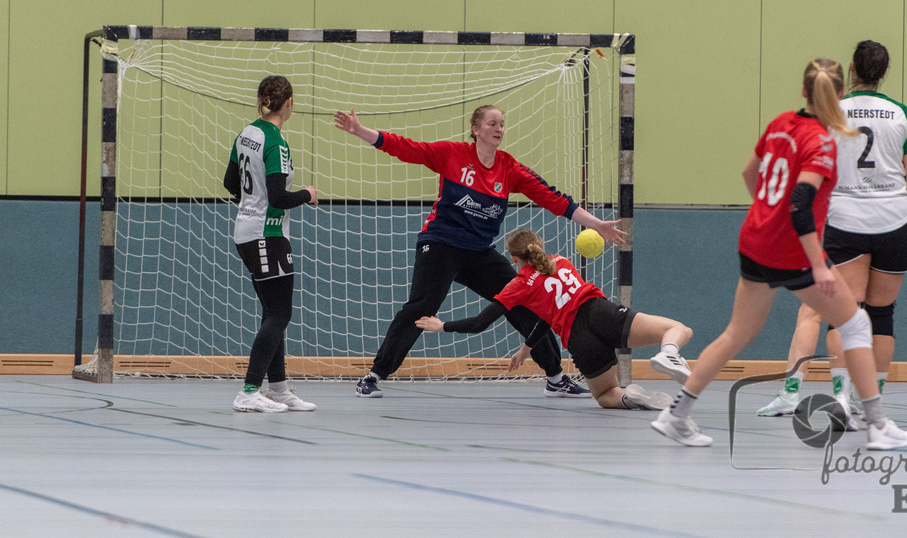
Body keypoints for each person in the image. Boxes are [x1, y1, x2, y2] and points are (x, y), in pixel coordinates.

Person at [650, 59, 907, 450]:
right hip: (792, 252)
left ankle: (675, 416)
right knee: (858, 325)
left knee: (736, 333)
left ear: (803, 90)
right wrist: (815, 262)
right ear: (841, 94)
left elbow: (749, 173)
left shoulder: (780, 123)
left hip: (755, 240)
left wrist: (765, 212)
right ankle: (877, 425)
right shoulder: (822, 143)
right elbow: (800, 201)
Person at [334, 104, 626, 398]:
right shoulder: (452, 154)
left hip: (479, 253)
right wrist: (360, 130)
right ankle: (374, 375)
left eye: (502, 124)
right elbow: (405, 148)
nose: (499, 129)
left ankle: (555, 377)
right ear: (475, 130)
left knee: (524, 301)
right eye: (492, 123)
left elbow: (555, 199)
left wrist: (598, 224)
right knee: (421, 307)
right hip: (440, 243)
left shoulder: (509, 168)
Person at [757, 41, 907, 421]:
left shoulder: (830, 111)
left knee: (841, 313)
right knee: (883, 314)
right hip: (893, 218)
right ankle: (868, 401)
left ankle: (832, 395)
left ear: (853, 68)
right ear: (884, 72)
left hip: (845, 219)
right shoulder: (900, 113)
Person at [415, 228, 694, 410]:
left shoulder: (517, 286)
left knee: (606, 394)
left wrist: (442, 326)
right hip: (600, 312)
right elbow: (553, 309)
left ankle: (628, 397)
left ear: (513, 258)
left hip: (577, 337)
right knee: (677, 328)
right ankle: (669, 353)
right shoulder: (560, 261)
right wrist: (527, 347)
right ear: (539, 246)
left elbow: (480, 323)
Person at [224, 75, 318, 413]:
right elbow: (279, 196)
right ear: (289, 102)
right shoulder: (276, 141)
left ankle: (278, 389)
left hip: (250, 232)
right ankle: (249, 390)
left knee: (272, 313)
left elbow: (229, 182)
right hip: (267, 235)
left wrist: (251, 203)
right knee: (280, 313)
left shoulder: (247, 133)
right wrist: (307, 194)